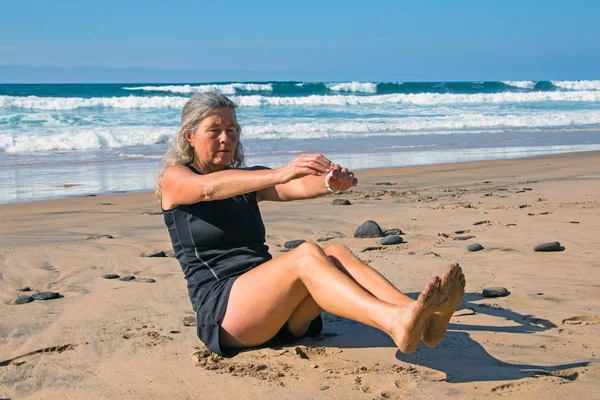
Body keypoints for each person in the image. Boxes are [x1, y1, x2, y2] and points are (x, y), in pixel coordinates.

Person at [155, 92, 466, 357]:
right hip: (227, 316)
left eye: (232, 129)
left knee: (336, 252)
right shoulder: (176, 179)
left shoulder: (248, 180)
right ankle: (392, 321)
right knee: (305, 255)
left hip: (279, 314)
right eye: (214, 130)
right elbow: (209, 189)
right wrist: (280, 172)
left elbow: (297, 187)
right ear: (189, 136)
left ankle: (419, 317)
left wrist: (331, 183)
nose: (226, 138)